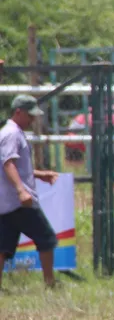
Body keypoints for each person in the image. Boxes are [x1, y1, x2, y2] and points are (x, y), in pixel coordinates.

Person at [0, 95, 60, 289]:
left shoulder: (11, 132)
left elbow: (14, 166)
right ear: (18, 112)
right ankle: (50, 283)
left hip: (7, 202)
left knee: (3, 247)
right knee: (46, 238)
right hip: (20, 202)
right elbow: (8, 163)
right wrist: (21, 191)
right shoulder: (12, 134)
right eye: (30, 116)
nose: (32, 120)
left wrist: (39, 174)